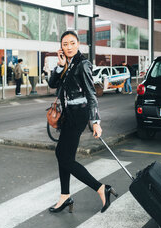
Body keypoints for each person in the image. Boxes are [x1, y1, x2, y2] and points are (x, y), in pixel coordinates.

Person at [48, 30, 117, 214]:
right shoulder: (67, 64)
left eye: (72, 43)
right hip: (69, 114)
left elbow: (91, 94)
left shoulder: (83, 64)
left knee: (64, 157)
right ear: (61, 47)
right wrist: (59, 66)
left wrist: (95, 121)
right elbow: (52, 84)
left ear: (78, 44)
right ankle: (65, 196)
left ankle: (101, 188)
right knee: (61, 153)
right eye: (65, 44)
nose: (69, 47)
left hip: (79, 114)